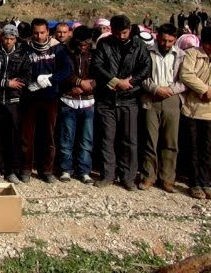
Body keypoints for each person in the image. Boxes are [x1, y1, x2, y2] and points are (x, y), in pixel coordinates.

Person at [91, 14, 152, 190]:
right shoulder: (104, 44)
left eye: (125, 32)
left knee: (129, 141)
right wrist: (115, 81)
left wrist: (129, 82)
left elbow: (146, 67)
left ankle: (128, 177)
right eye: (118, 33)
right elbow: (97, 65)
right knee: (106, 139)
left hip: (129, 98)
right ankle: (107, 175)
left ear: (130, 30)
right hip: (107, 99)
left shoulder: (139, 45)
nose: (122, 36)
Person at [21, 18, 72, 183]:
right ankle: (26, 169)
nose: (39, 36)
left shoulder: (57, 48)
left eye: (42, 32)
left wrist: (52, 78)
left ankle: (46, 170)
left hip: (50, 97)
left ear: (47, 32)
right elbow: (19, 68)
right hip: (30, 97)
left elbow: (67, 69)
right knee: (27, 136)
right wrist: (29, 82)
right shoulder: (25, 47)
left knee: (48, 135)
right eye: (35, 32)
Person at [139, 24, 185, 192]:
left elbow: (184, 79)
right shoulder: (147, 52)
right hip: (151, 97)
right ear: (158, 37)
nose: (166, 44)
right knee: (150, 140)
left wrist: (170, 91)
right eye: (163, 40)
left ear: (175, 40)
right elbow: (142, 76)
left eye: (170, 41)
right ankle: (148, 176)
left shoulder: (181, 55)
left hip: (172, 98)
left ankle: (167, 178)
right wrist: (156, 89)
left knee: (170, 140)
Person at [0, 24, 30, 184]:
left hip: (13, 101)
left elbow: (26, 76)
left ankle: (11, 170)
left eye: (11, 38)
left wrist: (16, 84)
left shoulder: (23, 54)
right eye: (6, 38)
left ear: (16, 38)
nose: (8, 41)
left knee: (13, 136)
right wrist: (5, 83)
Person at [59, 26, 96, 184]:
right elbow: (61, 72)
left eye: (86, 44)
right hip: (68, 99)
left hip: (88, 100)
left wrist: (91, 84)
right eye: (80, 44)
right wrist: (77, 82)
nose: (83, 47)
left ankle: (84, 170)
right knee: (67, 138)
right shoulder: (64, 52)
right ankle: (66, 169)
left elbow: (101, 73)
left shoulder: (95, 53)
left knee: (86, 139)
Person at [178, 26, 211, 199]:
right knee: (192, 148)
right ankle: (195, 183)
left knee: (207, 149)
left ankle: (206, 182)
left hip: (209, 112)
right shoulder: (192, 54)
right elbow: (186, 74)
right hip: (192, 109)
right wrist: (205, 89)